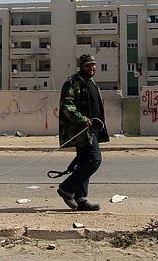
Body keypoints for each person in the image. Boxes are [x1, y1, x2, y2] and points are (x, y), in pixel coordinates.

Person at [56, 54, 109, 211]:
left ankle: (80, 198)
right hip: (80, 130)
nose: (91, 68)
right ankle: (67, 189)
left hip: (92, 129)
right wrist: (82, 119)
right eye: (87, 65)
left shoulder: (90, 82)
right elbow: (67, 106)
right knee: (94, 160)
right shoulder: (73, 82)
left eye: (93, 65)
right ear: (81, 66)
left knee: (85, 162)